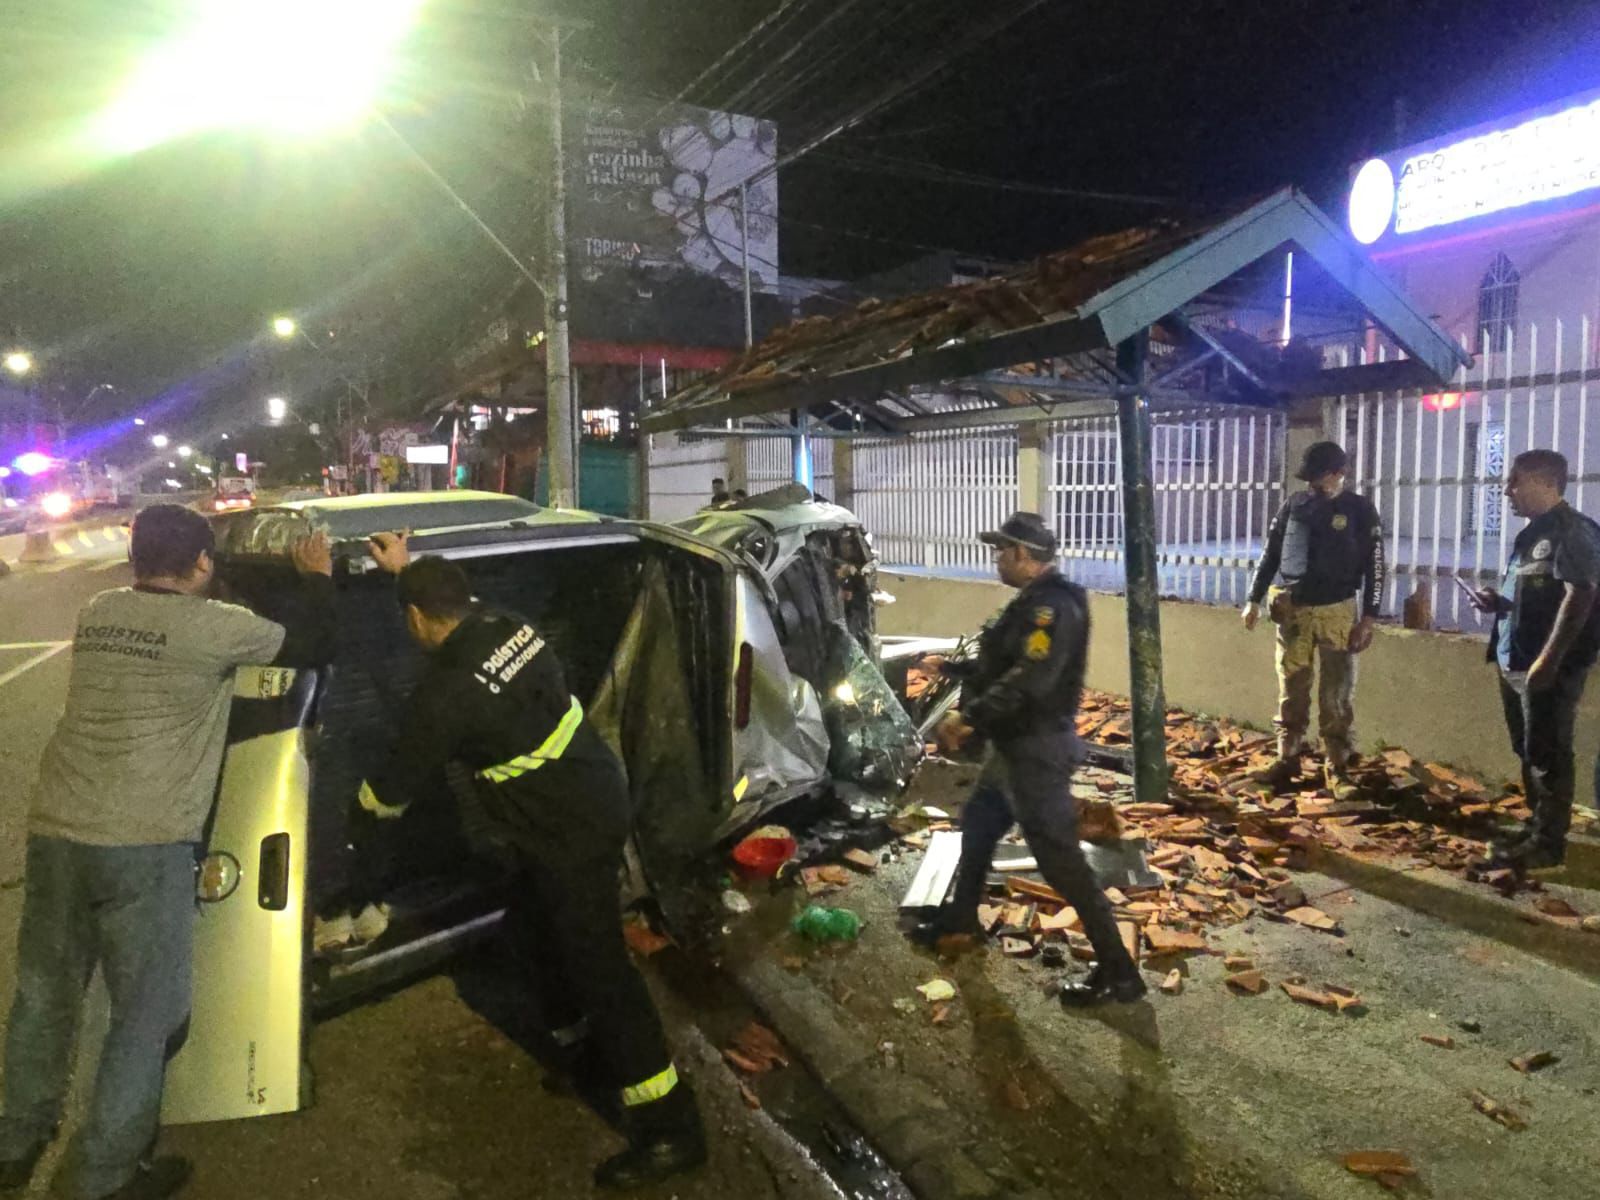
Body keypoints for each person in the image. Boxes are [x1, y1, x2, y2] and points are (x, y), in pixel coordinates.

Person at [0, 505, 336, 1200]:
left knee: (44, 997)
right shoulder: (216, 627)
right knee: (145, 1014)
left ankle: (14, 1141)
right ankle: (102, 1175)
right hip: (142, 844)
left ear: (133, 558)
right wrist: (315, 577)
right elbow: (315, 642)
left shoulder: (99, 610)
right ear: (204, 564)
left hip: (58, 829)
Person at [358, 534, 705, 1190]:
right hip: (587, 791)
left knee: (603, 971)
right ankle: (583, 1052)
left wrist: (360, 867)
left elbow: (387, 793)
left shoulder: (446, 695)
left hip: (565, 829)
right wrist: (405, 573)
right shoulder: (505, 624)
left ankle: (672, 1130)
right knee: (530, 928)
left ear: (416, 621)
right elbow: (443, 602)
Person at [922, 512, 1146, 1006]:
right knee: (978, 828)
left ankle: (1120, 972)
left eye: (1002, 551)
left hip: (1036, 752)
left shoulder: (1052, 609)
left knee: (1063, 866)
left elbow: (1032, 678)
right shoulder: (1034, 603)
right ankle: (962, 919)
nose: (997, 560)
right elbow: (1005, 661)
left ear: (1024, 555)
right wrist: (955, 667)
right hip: (1012, 747)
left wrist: (969, 717)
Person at [1468, 450, 1600, 870]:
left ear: (1545, 484)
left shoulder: (1572, 531)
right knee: (1527, 748)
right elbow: (1535, 595)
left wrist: (1549, 660)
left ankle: (1548, 843)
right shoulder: (1530, 534)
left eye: (1515, 481)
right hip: (1515, 657)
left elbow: (1581, 593)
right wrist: (1497, 602)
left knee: (1548, 752)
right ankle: (1535, 826)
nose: (1507, 490)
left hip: (1547, 665)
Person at [1242, 441, 1384, 798]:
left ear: (1340, 474)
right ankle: (1286, 758)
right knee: (1291, 687)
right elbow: (1272, 552)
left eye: (1321, 478)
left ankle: (1337, 768)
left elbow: (1376, 566)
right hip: (1294, 612)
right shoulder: (1296, 505)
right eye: (1310, 480)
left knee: (1336, 695)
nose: (1314, 486)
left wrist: (1368, 618)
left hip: (1338, 611)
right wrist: (1253, 599)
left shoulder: (1359, 510)